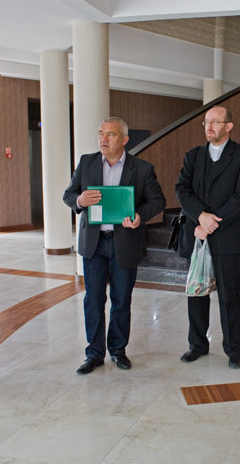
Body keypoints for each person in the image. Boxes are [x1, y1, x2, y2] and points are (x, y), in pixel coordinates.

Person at [63, 117, 165, 374]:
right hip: (94, 245)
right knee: (93, 299)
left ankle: (118, 350)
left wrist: (140, 215)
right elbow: (68, 195)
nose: (104, 139)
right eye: (101, 133)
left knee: (121, 301)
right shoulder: (86, 162)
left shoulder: (141, 168)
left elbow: (157, 201)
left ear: (125, 139)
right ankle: (94, 353)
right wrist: (80, 200)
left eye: (111, 134)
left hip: (125, 243)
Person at [175, 106, 240, 368]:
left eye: (215, 122)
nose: (209, 127)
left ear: (228, 126)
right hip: (197, 233)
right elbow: (182, 189)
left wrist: (211, 223)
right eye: (206, 122)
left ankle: (234, 350)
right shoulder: (193, 156)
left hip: (226, 237)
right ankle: (197, 345)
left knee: (229, 296)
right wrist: (200, 216)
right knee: (197, 293)